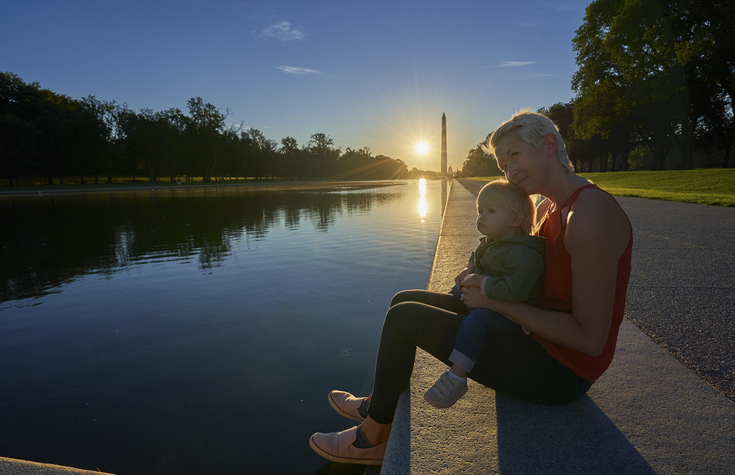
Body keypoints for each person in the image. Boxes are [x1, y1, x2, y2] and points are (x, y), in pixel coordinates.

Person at [308, 110, 633, 466]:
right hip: (532, 335)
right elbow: (523, 268)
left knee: (406, 319)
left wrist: (492, 298)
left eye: (514, 155)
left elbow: (590, 339)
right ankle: (377, 404)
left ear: (549, 145)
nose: (508, 171)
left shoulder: (589, 216)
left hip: (561, 371)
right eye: (501, 164)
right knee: (404, 299)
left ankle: (372, 437)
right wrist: (476, 271)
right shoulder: (545, 205)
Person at [425, 179, 545, 409]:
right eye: (480, 211)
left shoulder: (524, 254)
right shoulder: (494, 241)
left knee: (477, 321)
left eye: (490, 211)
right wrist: (467, 270)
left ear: (515, 220)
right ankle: (459, 318)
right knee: (456, 293)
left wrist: (481, 282)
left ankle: (457, 377)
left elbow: (514, 291)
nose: (481, 216)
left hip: (512, 318)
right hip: (489, 301)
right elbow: (477, 254)